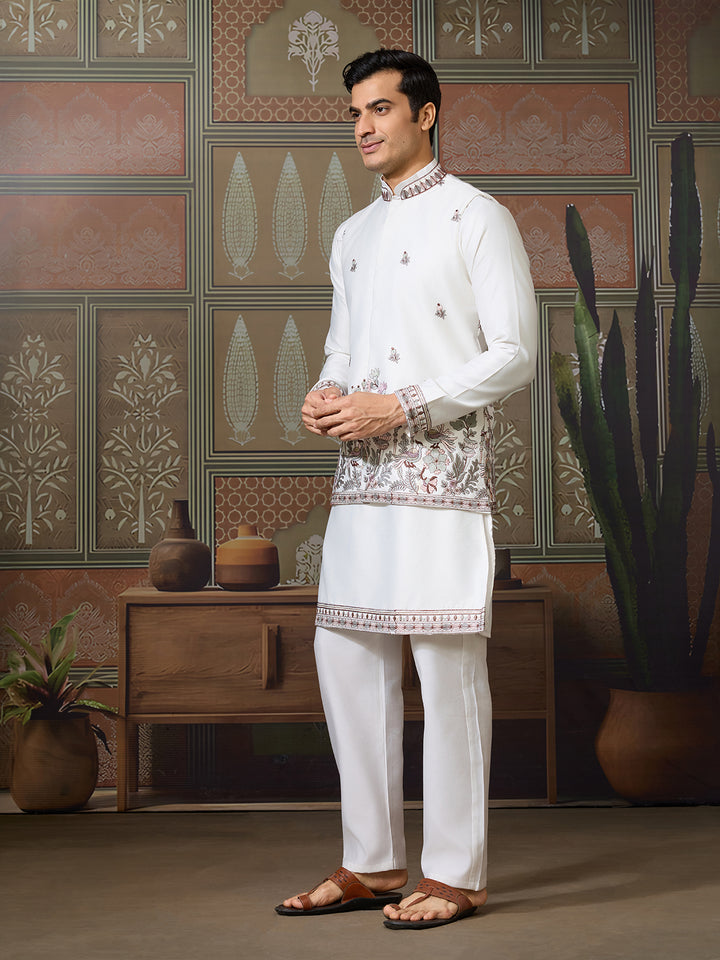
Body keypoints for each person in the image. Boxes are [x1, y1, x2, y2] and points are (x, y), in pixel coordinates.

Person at [276, 48, 537, 930]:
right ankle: (374, 862)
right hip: (361, 489)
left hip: (443, 486)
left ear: (426, 113)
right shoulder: (353, 235)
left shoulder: (477, 217)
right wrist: (324, 394)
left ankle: (457, 873)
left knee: (447, 666)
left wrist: (407, 405)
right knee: (346, 661)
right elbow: (344, 353)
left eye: (382, 108)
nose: (364, 126)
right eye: (356, 112)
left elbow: (515, 354)